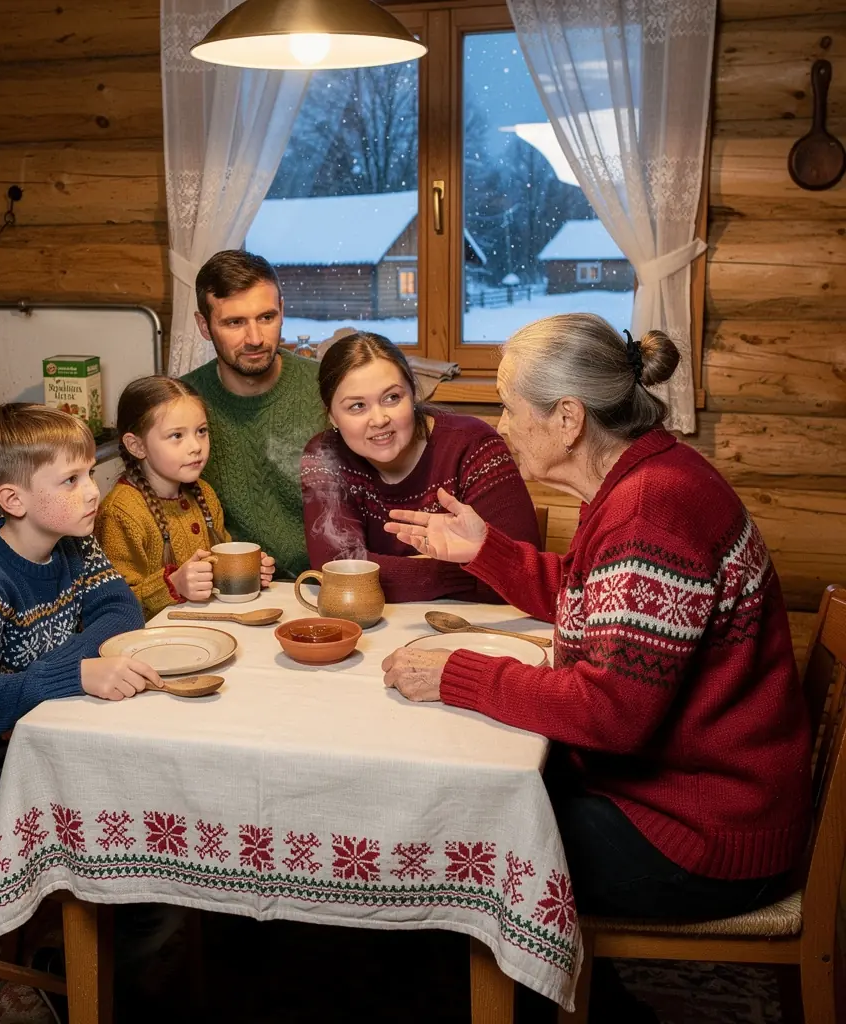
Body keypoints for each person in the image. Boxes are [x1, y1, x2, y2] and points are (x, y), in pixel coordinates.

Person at [380, 314, 812, 1020]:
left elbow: (609, 713)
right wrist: (483, 551)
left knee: (468, 844)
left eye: (509, 408)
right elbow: (598, 603)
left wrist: (456, 674)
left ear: (569, 419)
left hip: (702, 834)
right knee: (493, 802)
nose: (502, 427)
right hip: (699, 799)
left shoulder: (652, 510)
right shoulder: (645, 479)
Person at [0, 404, 176, 1021]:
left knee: (172, 796)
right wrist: (73, 673)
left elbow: (121, 611)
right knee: (150, 839)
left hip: (55, 741)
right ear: (13, 498)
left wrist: (62, 668)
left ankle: (120, 950)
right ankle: (86, 978)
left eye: (91, 473)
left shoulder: (71, 548)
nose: (94, 492)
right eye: (71, 480)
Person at [301, 331, 541, 602]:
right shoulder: (325, 455)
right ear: (332, 415)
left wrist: (385, 571)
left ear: (414, 394)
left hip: (478, 629)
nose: (379, 419)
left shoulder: (474, 446)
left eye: (392, 398)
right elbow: (337, 571)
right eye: (357, 406)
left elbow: (521, 573)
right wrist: (466, 569)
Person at [180, 249, 326, 579]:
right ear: (204, 326)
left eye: (266, 317)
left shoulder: (328, 387)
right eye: (234, 322)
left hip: (329, 581)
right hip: (233, 587)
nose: (256, 338)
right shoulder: (182, 404)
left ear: (283, 311)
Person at [96, 375, 275, 617]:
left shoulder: (204, 493)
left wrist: (246, 572)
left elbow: (217, 567)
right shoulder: (121, 512)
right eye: (177, 436)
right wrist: (173, 585)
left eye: (201, 431)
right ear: (136, 446)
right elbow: (113, 606)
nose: (196, 446)